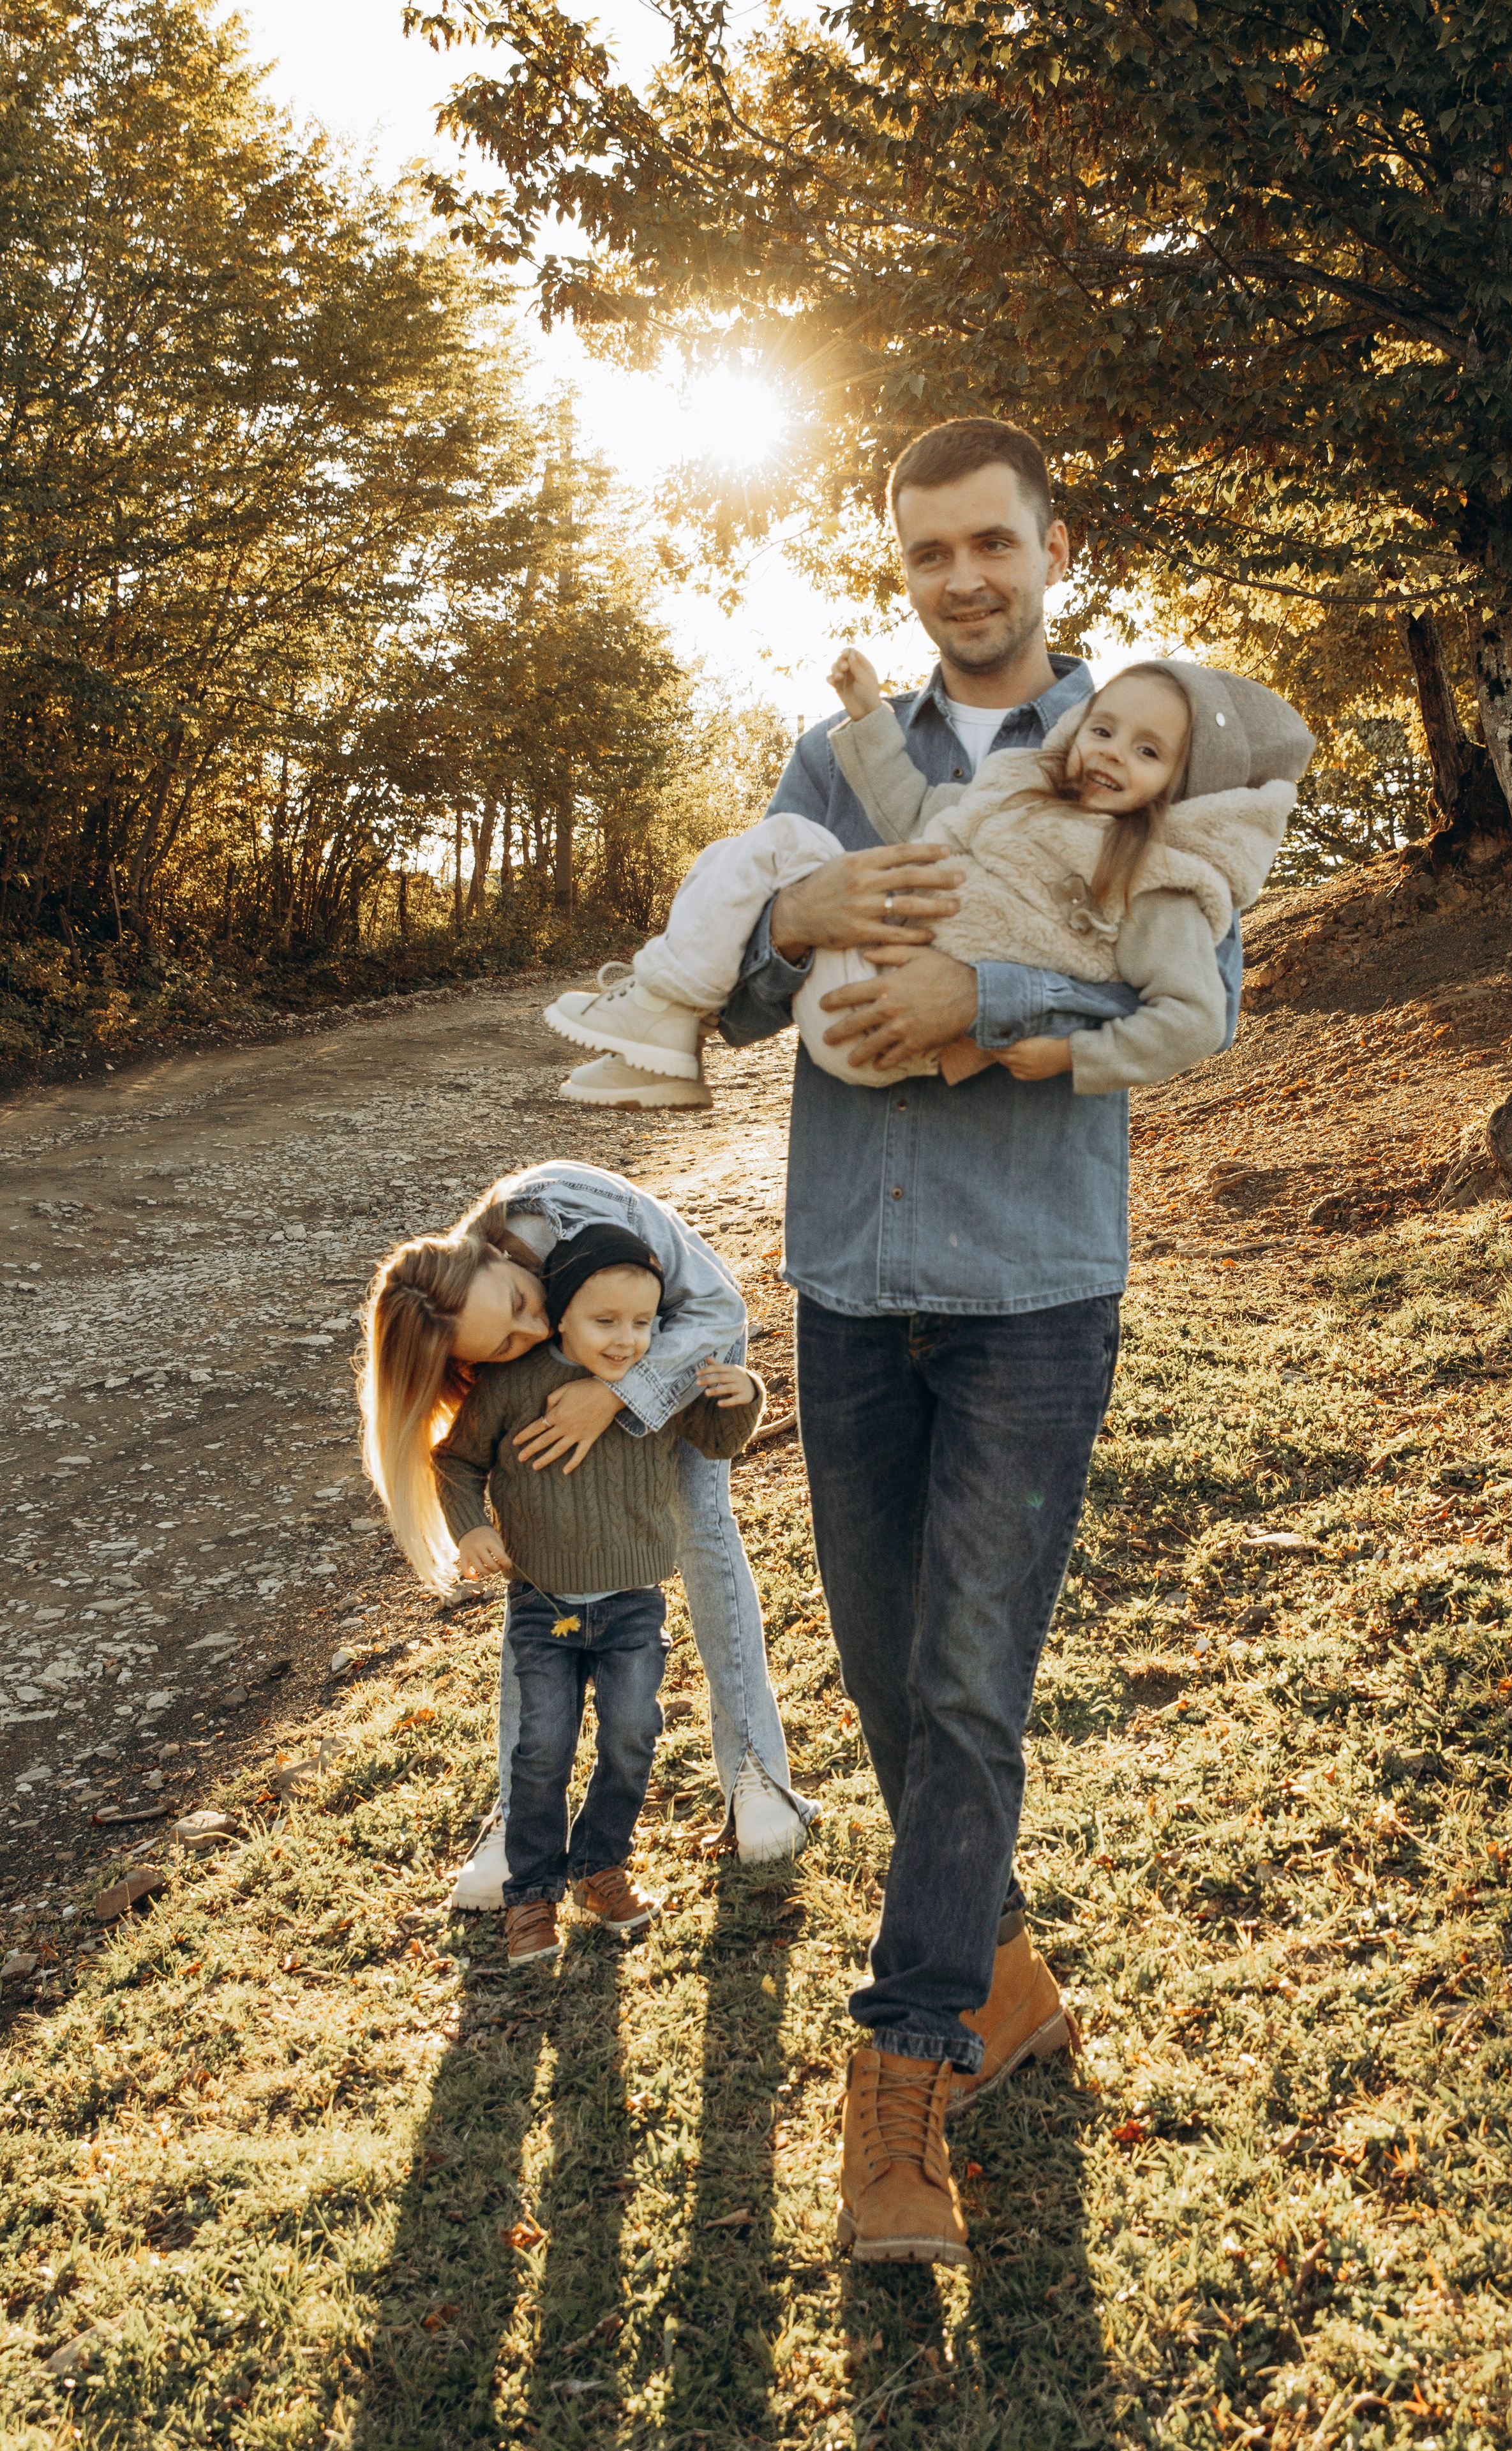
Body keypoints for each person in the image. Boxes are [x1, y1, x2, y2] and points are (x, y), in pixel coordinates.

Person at [706, 415, 1309, 2270]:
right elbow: (732, 986)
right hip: (855, 1289)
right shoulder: (838, 752)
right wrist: (784, 916)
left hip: (1034, 1292)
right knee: (897, 1690)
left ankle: (899, 2079)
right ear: (902, 568)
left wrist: (1002, 988)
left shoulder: (1153, 767)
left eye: (991, 542)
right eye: (925, 553)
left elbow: (1185, 993)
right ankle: (1010, 1976)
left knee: (967, 1690)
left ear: (1053, 545)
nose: (960, 578)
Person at [544, 650, 1308, 1096]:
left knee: (777, 843)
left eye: (1147, 751)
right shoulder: (1018, 794)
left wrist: (1075, 1054)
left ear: (1184, 783)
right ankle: (668, 1028)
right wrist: (869, 714)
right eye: (1103, 730)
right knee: (768, 846)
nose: (1112, 752)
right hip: (865, 974)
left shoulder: (1156, 878)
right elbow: (910, 808)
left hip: (883, 1034)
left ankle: (663, 1011)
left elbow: (1197, 1016)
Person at [358, 1160, 816, 1888]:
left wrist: (614, 1392)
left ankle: (759, 1777)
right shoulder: (489, 1317)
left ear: (493, 1256)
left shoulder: (562, 1201)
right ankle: (517, 1817)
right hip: (580, 1359)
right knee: (536, 1562)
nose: (528, 1326)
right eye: (505, 1343)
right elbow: (486, 1419)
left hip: (680, 1338)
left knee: (698, 1520)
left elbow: (721, 1310)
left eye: (516, 1301)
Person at [431, 1224, 763, 1967]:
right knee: (542, 1749)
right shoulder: (510, 1386)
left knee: (630, 1737)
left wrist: (746, 1392)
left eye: (643, 1323)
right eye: (605, 1322)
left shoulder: (654, 1383)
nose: (626, 1341)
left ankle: (601, 1868)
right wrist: (471, 1530)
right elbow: (453, 1460)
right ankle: (531, 1895)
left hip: (633, 1605)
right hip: (544, 1606)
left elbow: (718, 1436)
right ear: (561, 1316)